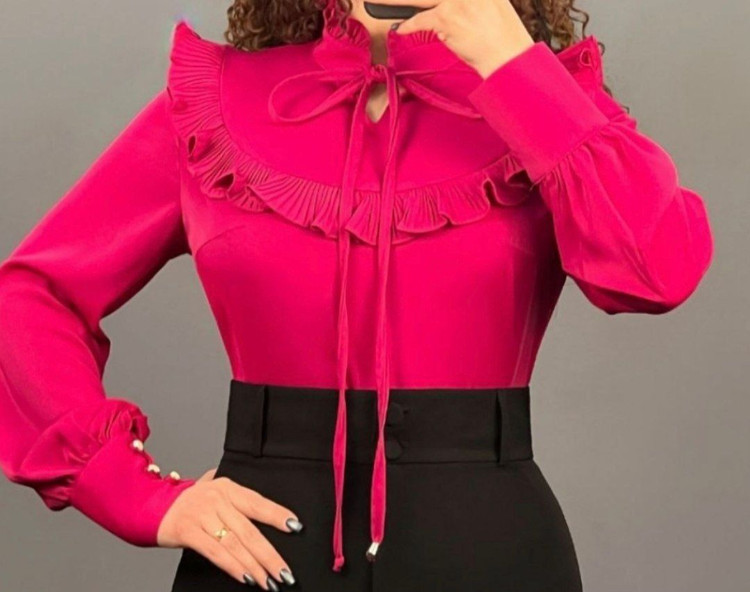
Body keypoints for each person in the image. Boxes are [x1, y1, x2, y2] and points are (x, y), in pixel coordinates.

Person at [0, 0, 714, 590]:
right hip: (263, 554)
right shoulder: (212, 101)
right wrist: (138, 494)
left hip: (491, 550)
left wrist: (513, 63)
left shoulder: (546, 96)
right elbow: (29, 298)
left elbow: (657, 269)